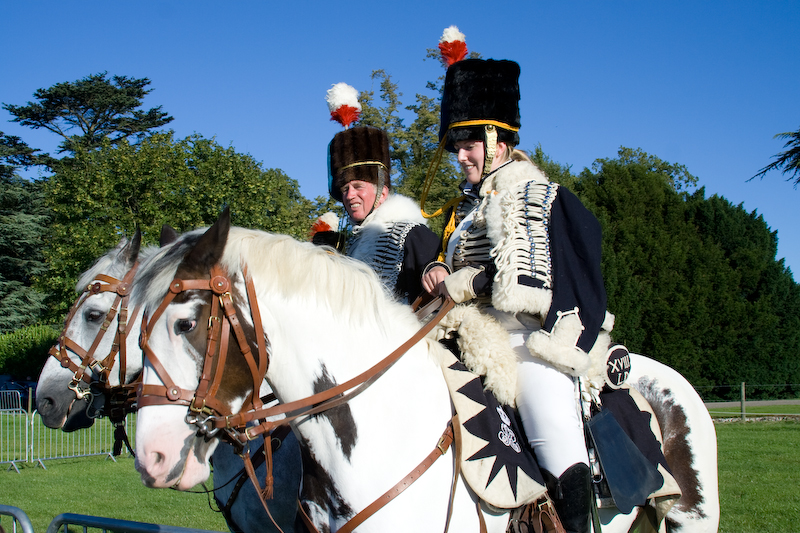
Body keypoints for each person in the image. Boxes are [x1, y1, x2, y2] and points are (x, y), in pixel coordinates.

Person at [421, 30, 609, 533]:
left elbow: (526, 276)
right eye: (456, 146)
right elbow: (445, 263)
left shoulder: (533, 192)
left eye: (468, 145)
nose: (460, 156)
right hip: (464, 335)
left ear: (498, 141)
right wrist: (437, 270)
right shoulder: (460, 209)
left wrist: (470, 282)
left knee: (554, 435)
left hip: (528, 339)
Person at [313, 83, 440, 304]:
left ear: (382, 192)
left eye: (358, 186)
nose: (350, 195)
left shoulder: (412, 234)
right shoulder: (350, 244)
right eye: (345, 189)